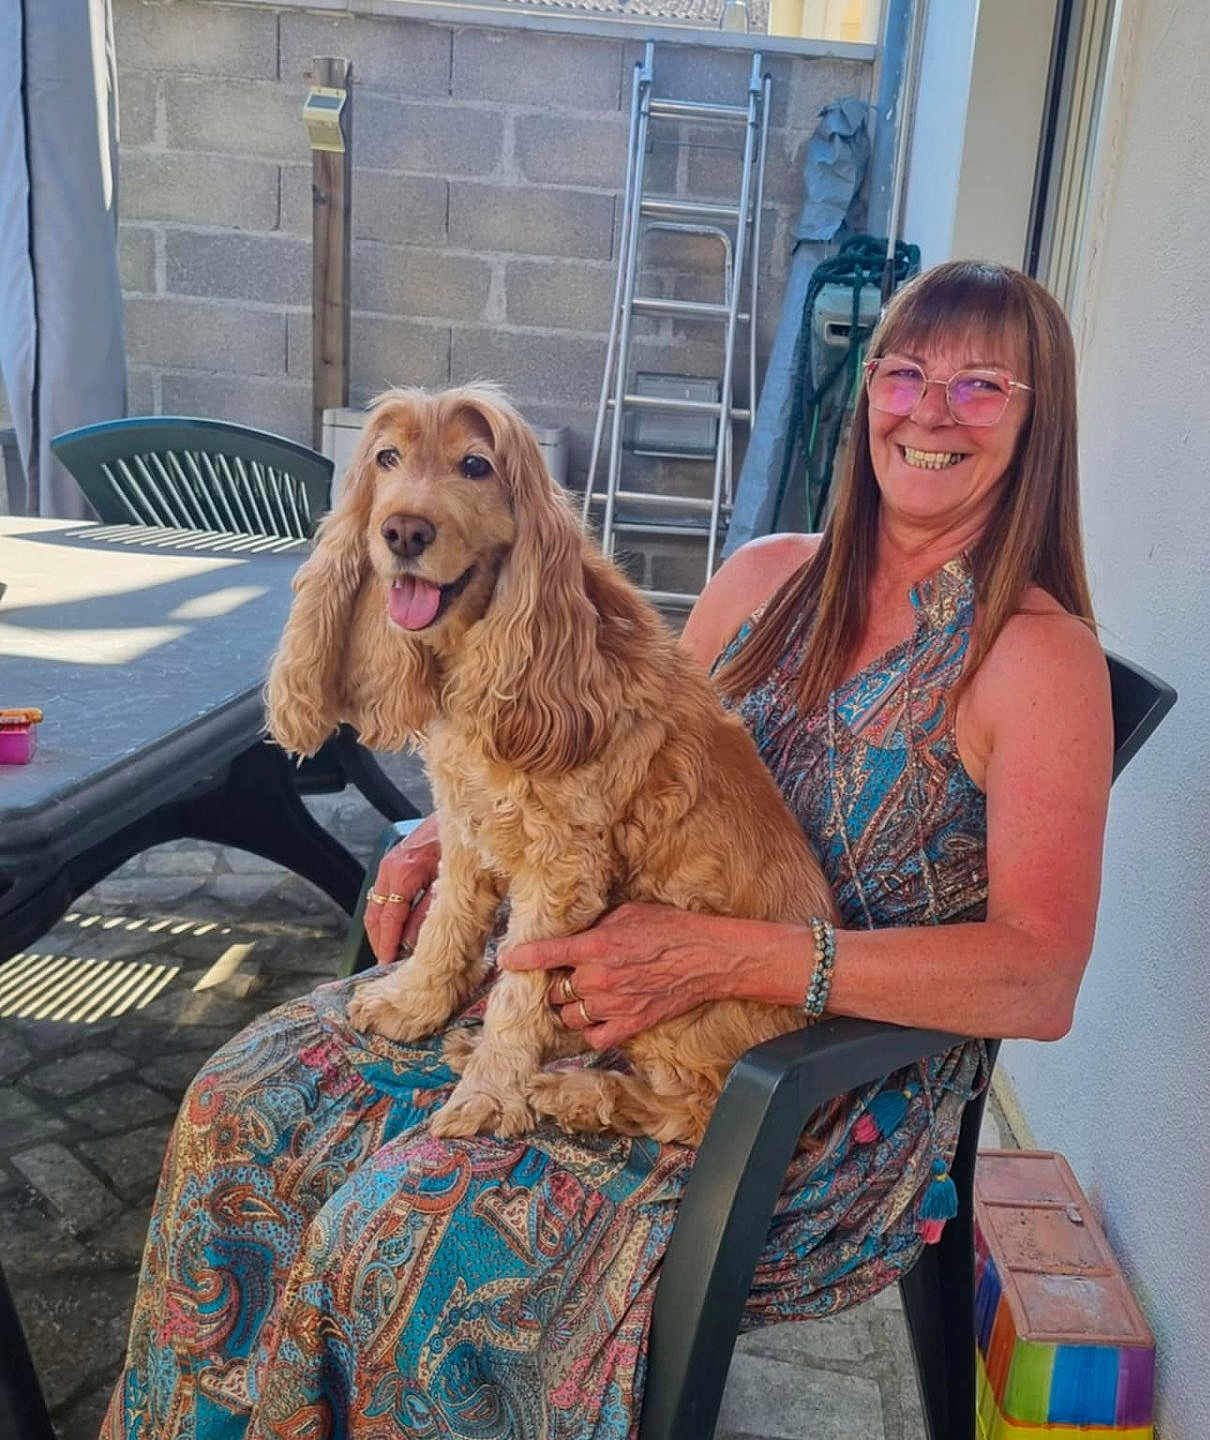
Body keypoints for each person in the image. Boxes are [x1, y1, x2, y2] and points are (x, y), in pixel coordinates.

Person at [104, 261, 1111, 1439]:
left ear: (1038, 425)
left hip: (807, 1102)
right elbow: (623, 755)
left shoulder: (1038, 661)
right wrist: (460, 824)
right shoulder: (768, 577)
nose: (929, 411)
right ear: (868, 398)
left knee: (401, 1231)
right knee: (246, 1102)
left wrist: (729, 960)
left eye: (982, 387)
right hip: (605, 981)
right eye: (903, 373)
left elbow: (1039, 978)